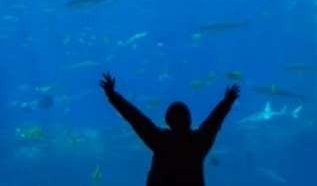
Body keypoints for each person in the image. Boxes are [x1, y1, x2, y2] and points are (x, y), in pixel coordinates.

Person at [100, 72, 239, 186]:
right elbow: (214, 122)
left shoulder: (160, 140)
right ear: (189, 120)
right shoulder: (199, 142)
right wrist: (227, 101)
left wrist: (112, 95)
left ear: (167, 120)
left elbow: (135, 117)